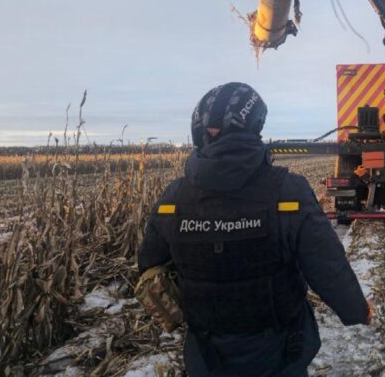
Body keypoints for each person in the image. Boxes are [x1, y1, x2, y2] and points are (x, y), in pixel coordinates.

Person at [137, 82, 372, 376]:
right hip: (280, 349)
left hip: (207, 352)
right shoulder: (288, 190)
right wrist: (356, 310)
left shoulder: (175, 197)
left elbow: (148, 264)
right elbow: (325, 263)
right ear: (254, 127)